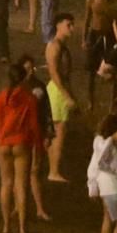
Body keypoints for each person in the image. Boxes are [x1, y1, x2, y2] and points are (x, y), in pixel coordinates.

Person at [0, 63, 42, 233]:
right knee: (21, 186)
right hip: (21, 143)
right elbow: (34, 126)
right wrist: (38, 147)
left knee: (6, 183)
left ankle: (6, 225)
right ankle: (22, 228)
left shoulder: (0, 98)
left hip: (3, 143)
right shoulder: (29, 99)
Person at [47, 13, 77, 182]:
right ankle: (54, 171)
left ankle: (54, 170)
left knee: (57, 131)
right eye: (68, 25)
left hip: (60, 89)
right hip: (58, 91)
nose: (71, 28)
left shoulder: (61, 46)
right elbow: (54, 73)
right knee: (59, 132)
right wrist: (67, 96)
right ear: (58, 25)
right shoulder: (55, 46)